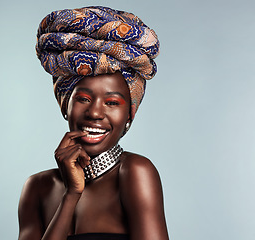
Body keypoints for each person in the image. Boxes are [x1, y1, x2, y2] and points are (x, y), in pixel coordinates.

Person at [18, 6, 169, 240]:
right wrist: (72, 193)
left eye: (112, 103)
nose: (95, 113)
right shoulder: (37, 187)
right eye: (84, 99)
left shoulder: (134, 173)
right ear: (64, 105)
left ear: (129, 114)